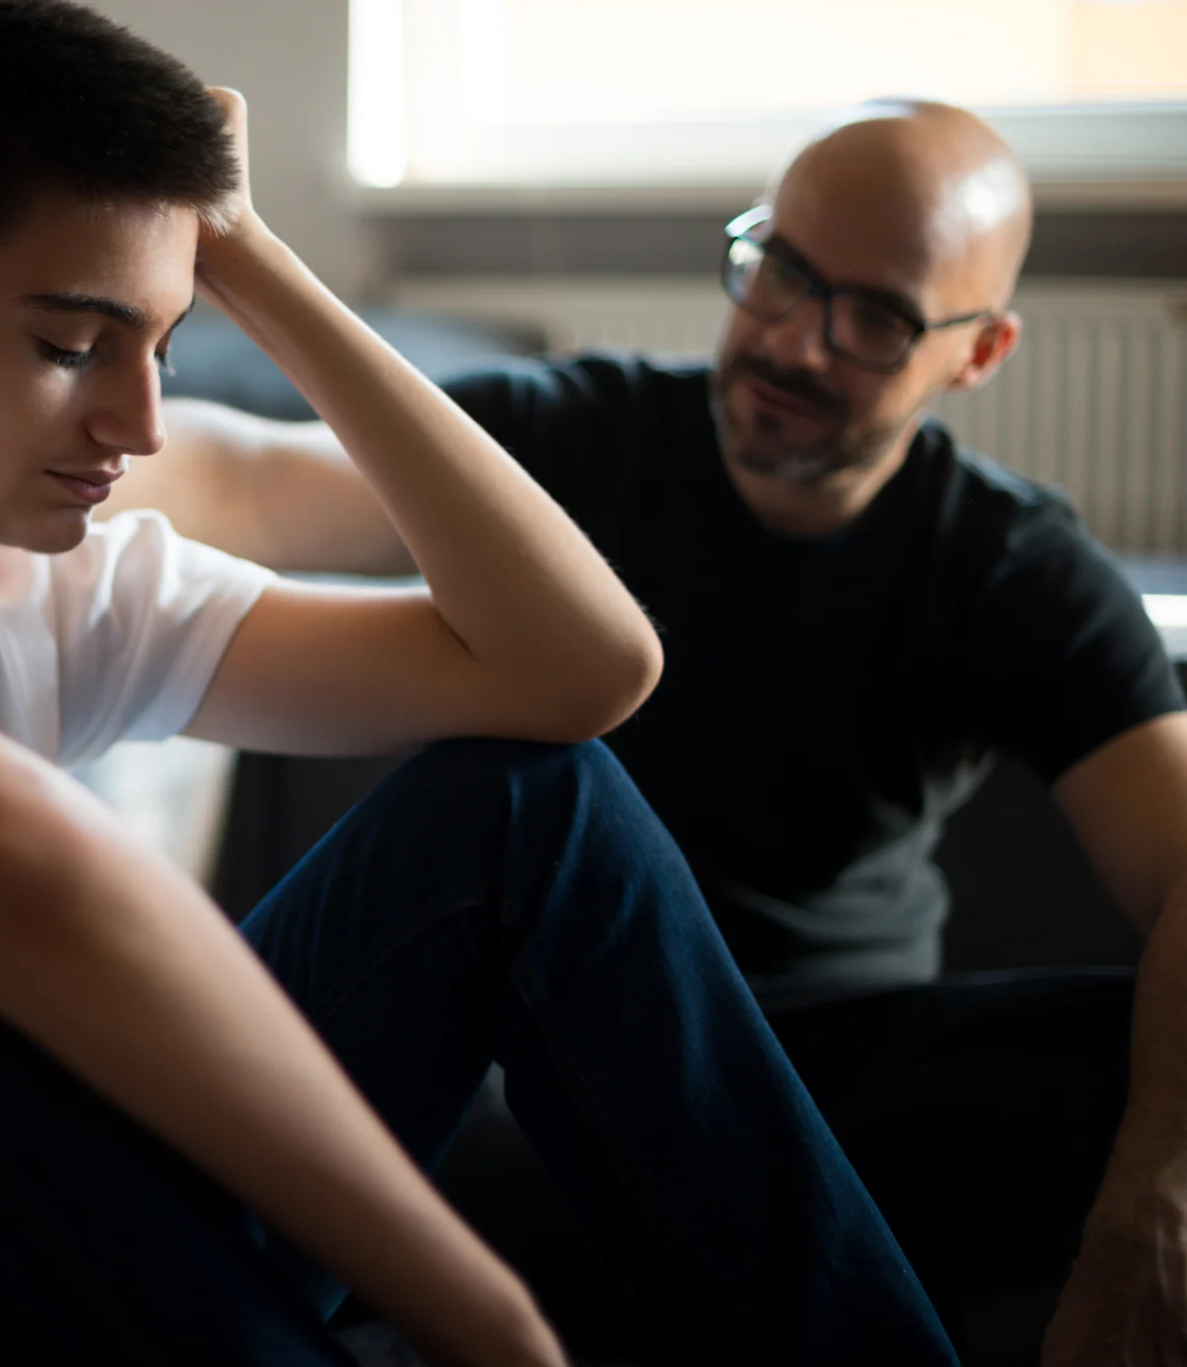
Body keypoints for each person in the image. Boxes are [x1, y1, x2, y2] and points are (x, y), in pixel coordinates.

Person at [0, 6, 961, 1364]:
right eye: (76, 343)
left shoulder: (53, 576)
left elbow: (582, 671)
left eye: (159, 342)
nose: (142, 423)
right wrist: (479, 1310)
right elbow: (19, 870)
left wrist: (257, 260)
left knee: (523, 805)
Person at [120, 100, 1187, 1364]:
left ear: (977, 350)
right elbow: (248, 475)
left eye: (871, 317)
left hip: (829, 1078)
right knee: (522, 806)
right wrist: (17, 456)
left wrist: (1145, 1206)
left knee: (1131, 1063)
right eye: (777, 269)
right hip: (536, 1074)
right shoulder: (593, 435)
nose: (791, 339)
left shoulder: (1009, 564)